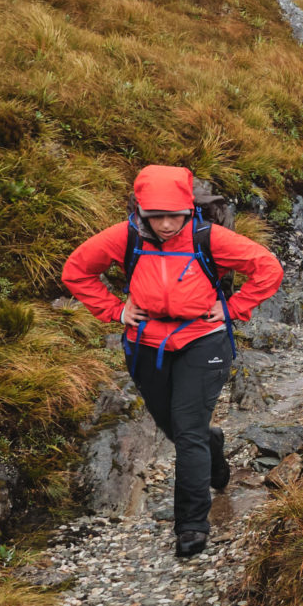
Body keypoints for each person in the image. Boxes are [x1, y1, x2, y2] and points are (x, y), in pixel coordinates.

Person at [61, 165, 285, 559]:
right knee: (176, 426)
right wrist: (115, 311)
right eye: (156, 216)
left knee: (187, 434)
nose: (166, 225)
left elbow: (267, 268)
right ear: (141, 211)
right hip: (146, 342)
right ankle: (212, 444)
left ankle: (192, 527)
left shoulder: (206, 237)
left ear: (188, 209)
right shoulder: (127, 236)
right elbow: (77, 270)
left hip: (203, 339)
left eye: (174, 216)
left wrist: (233, 308)